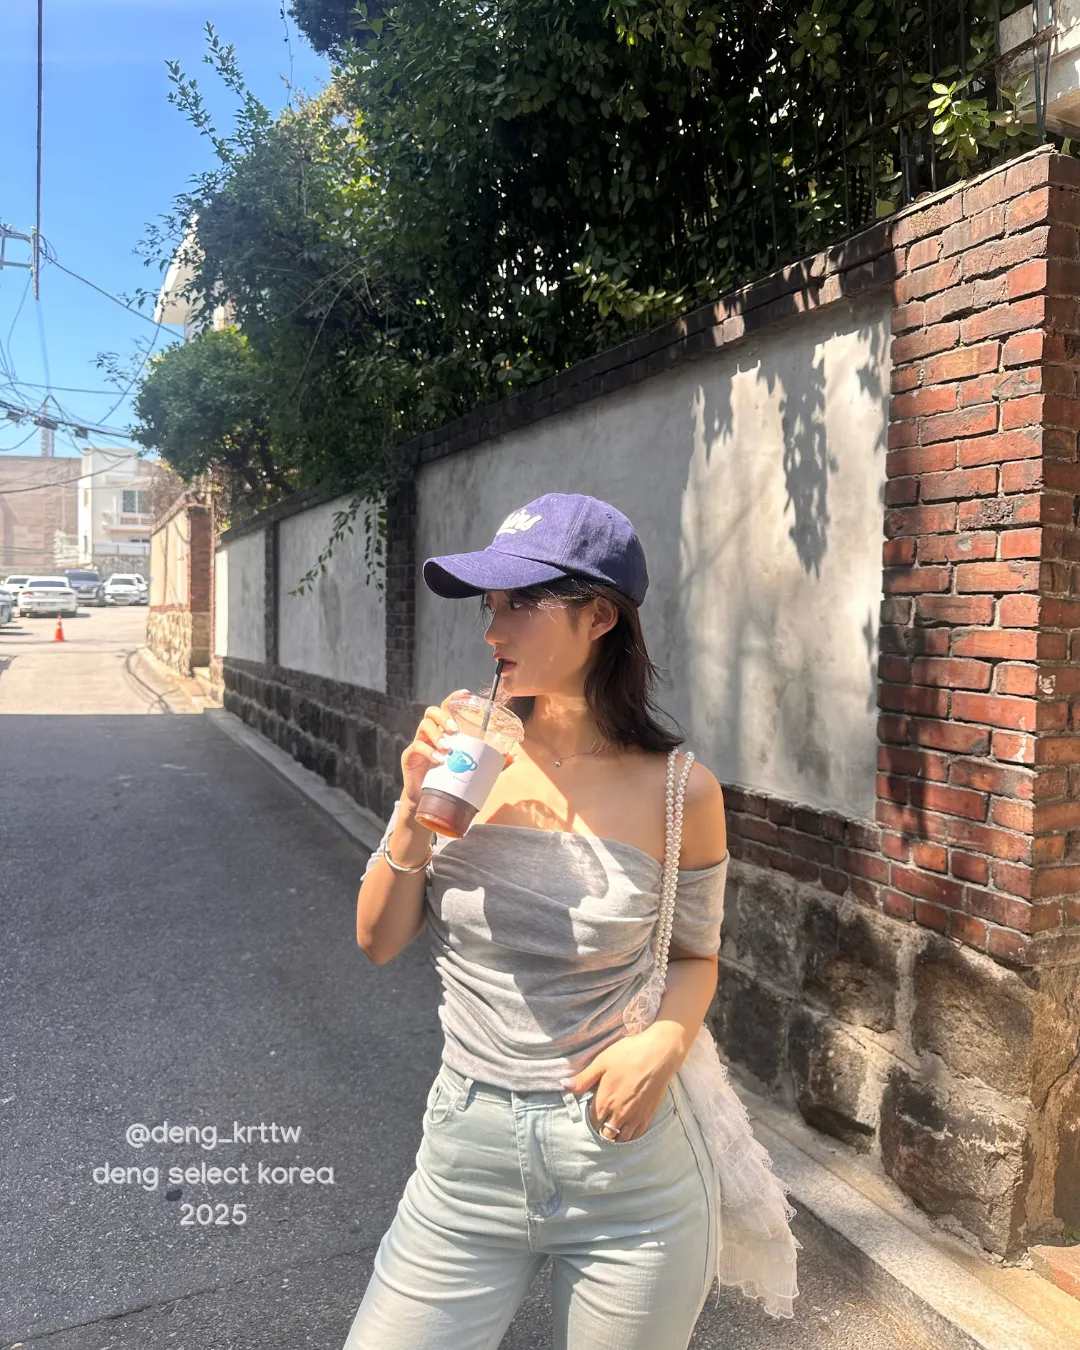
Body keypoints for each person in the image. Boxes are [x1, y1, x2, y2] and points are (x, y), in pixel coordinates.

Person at [343, 492, 733, 1350]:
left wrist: (663, 1046)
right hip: (465, 1159)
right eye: (489, 606)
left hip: (627, 1171)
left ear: (599, 616)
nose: (494, 630)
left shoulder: (681, 793)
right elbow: (377, 940)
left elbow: (695, 957)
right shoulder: (463, 753)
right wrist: (410, 809)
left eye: (520, 604)